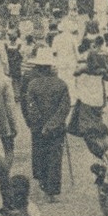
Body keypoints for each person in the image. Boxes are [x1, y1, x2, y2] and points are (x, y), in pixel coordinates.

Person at [21, 51, 71, 201]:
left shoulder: (33, 85)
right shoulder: (61, 84)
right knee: (55, 158)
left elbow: (31, 108)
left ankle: (43, 184)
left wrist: (40, 125)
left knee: (40, 155)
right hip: (56, 128)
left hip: (38, 129)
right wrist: (52, 124)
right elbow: (65, 108)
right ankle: (52, 192)